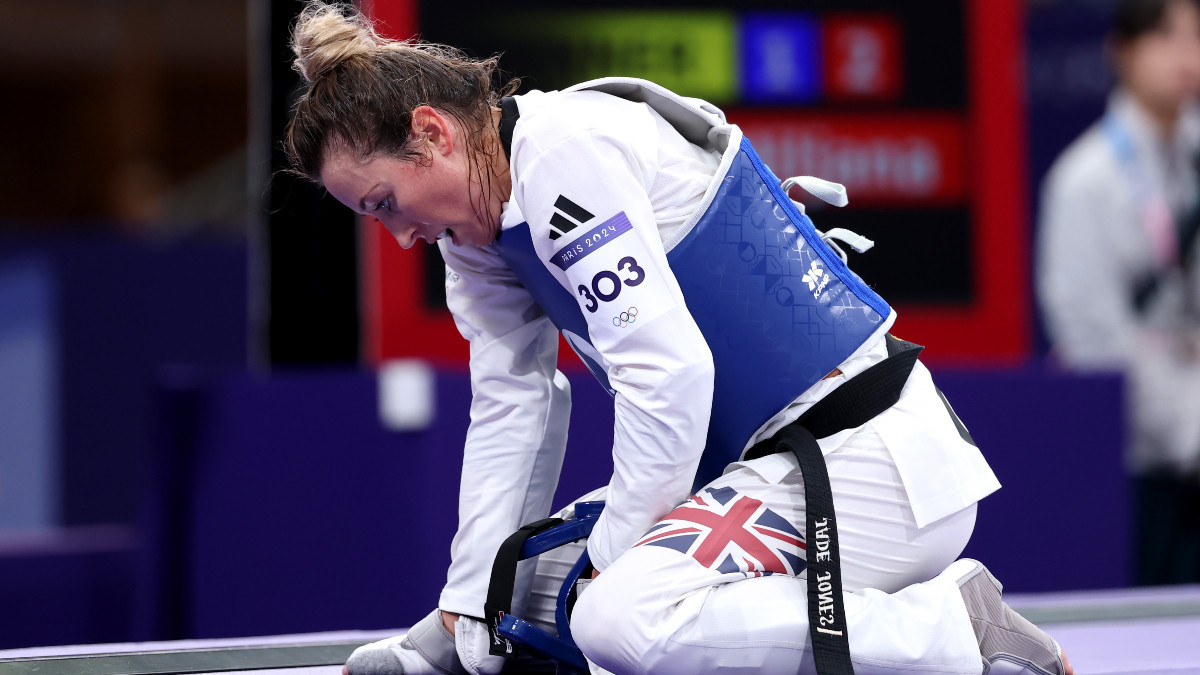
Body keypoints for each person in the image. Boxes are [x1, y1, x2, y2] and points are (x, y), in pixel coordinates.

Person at [284, 3, 1072, 673]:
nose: (396, 236)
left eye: (385, 202)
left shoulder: (566, 152)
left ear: (431, 133)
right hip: (774, 467)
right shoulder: (477, 239)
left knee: (615, 614)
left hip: (868, 465)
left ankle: (952, 632)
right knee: (534, 579)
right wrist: (468, 609)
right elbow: (510, 412)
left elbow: (672, 378)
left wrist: (613, 558)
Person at [1039, 0, 1200, 586]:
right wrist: (1190, 429)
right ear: (1123, 51)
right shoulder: (1083, 180)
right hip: (1135, 473)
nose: (1186, 54)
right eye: (1166, 35)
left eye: (1196, 35)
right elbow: (1092, 340)